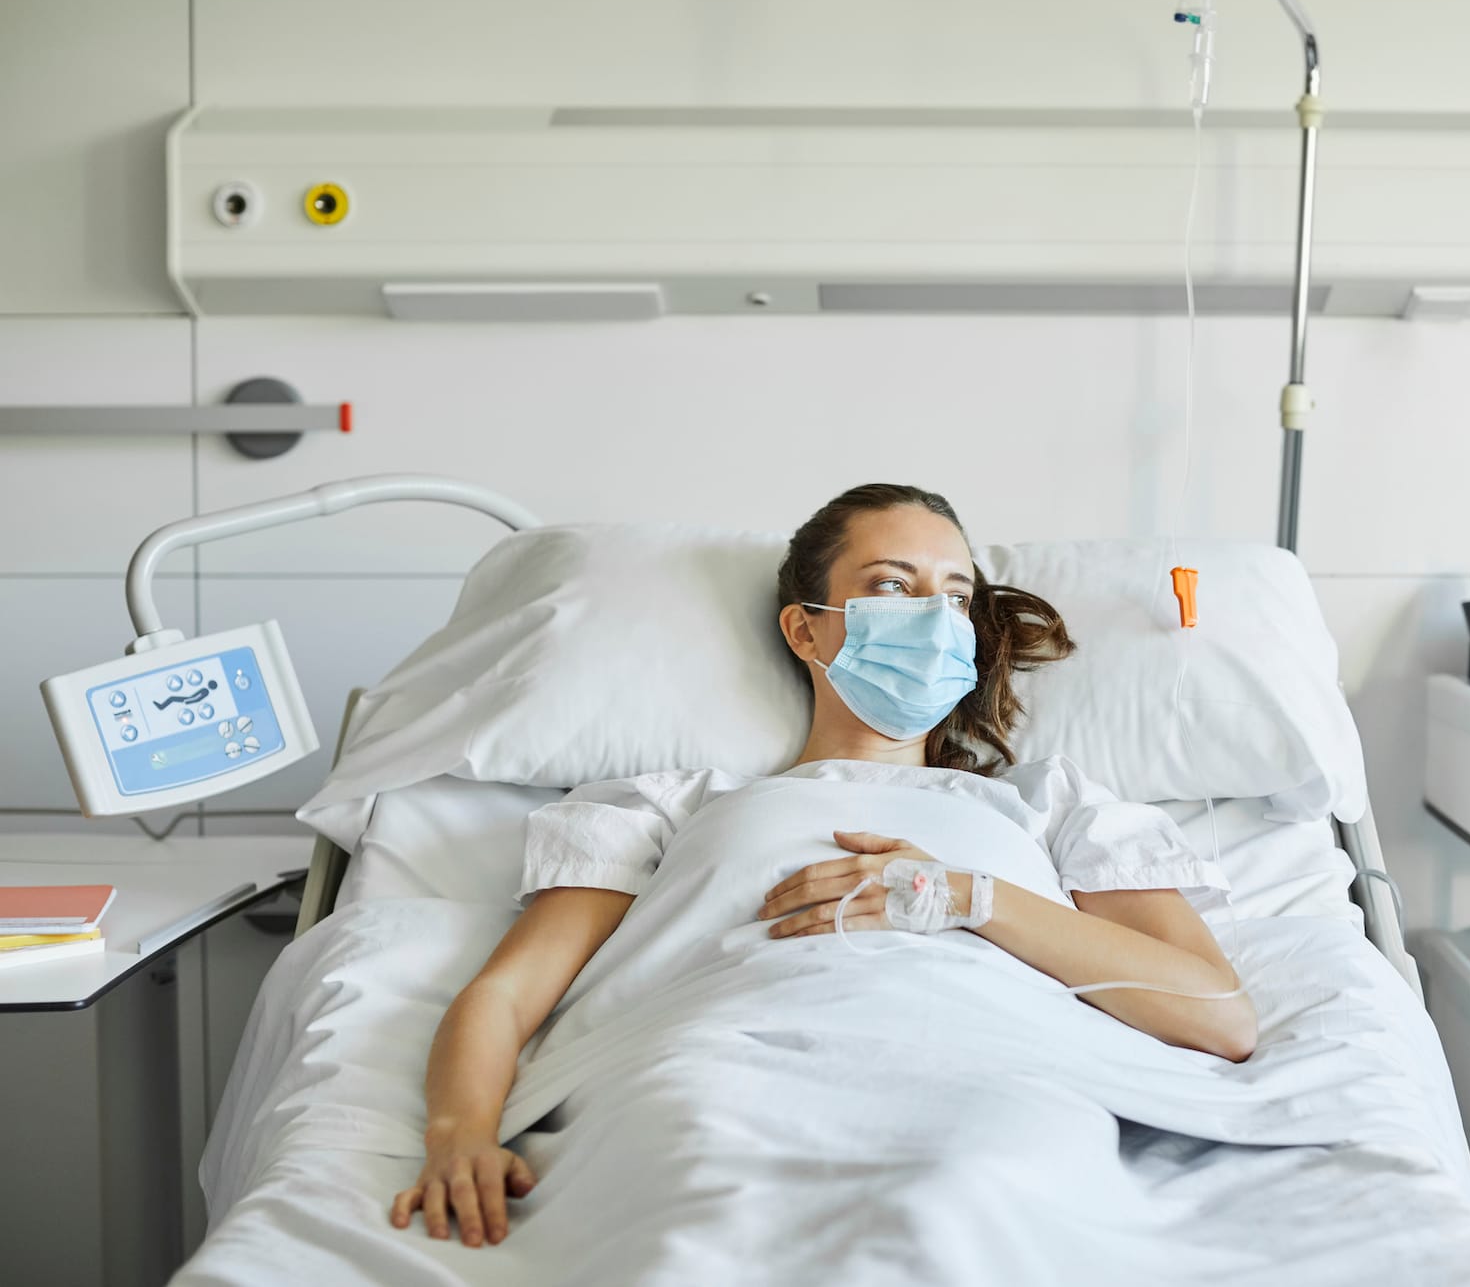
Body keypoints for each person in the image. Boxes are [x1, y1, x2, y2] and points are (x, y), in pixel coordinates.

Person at [390, 483, 1255, 1248]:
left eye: (955, 596)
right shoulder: (672, 804)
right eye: (891, 585)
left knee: (973, 1183)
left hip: (986, 1065)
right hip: (714, 1064)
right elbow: (507, 993)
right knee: (700, 1192)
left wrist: (965, 897)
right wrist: (459, 1130)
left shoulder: (1048, 804)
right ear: (806, 627)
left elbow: (1219, 1016)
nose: (931, 616)